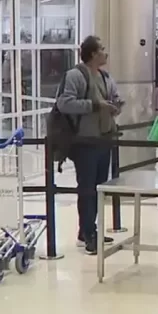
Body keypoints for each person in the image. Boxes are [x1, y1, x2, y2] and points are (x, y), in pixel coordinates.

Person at [56, 36, 123, 256]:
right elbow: (64, 103)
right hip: (84, 142)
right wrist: (95, 105)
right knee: (87, 189)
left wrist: (115, 105)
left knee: (98, 188)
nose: (106, 53)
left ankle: (88, 230)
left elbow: (113, 97)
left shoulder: (105, 76)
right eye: (102, 49)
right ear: (93, 53)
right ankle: (88, 233)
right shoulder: (75, 76)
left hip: (104, 138)